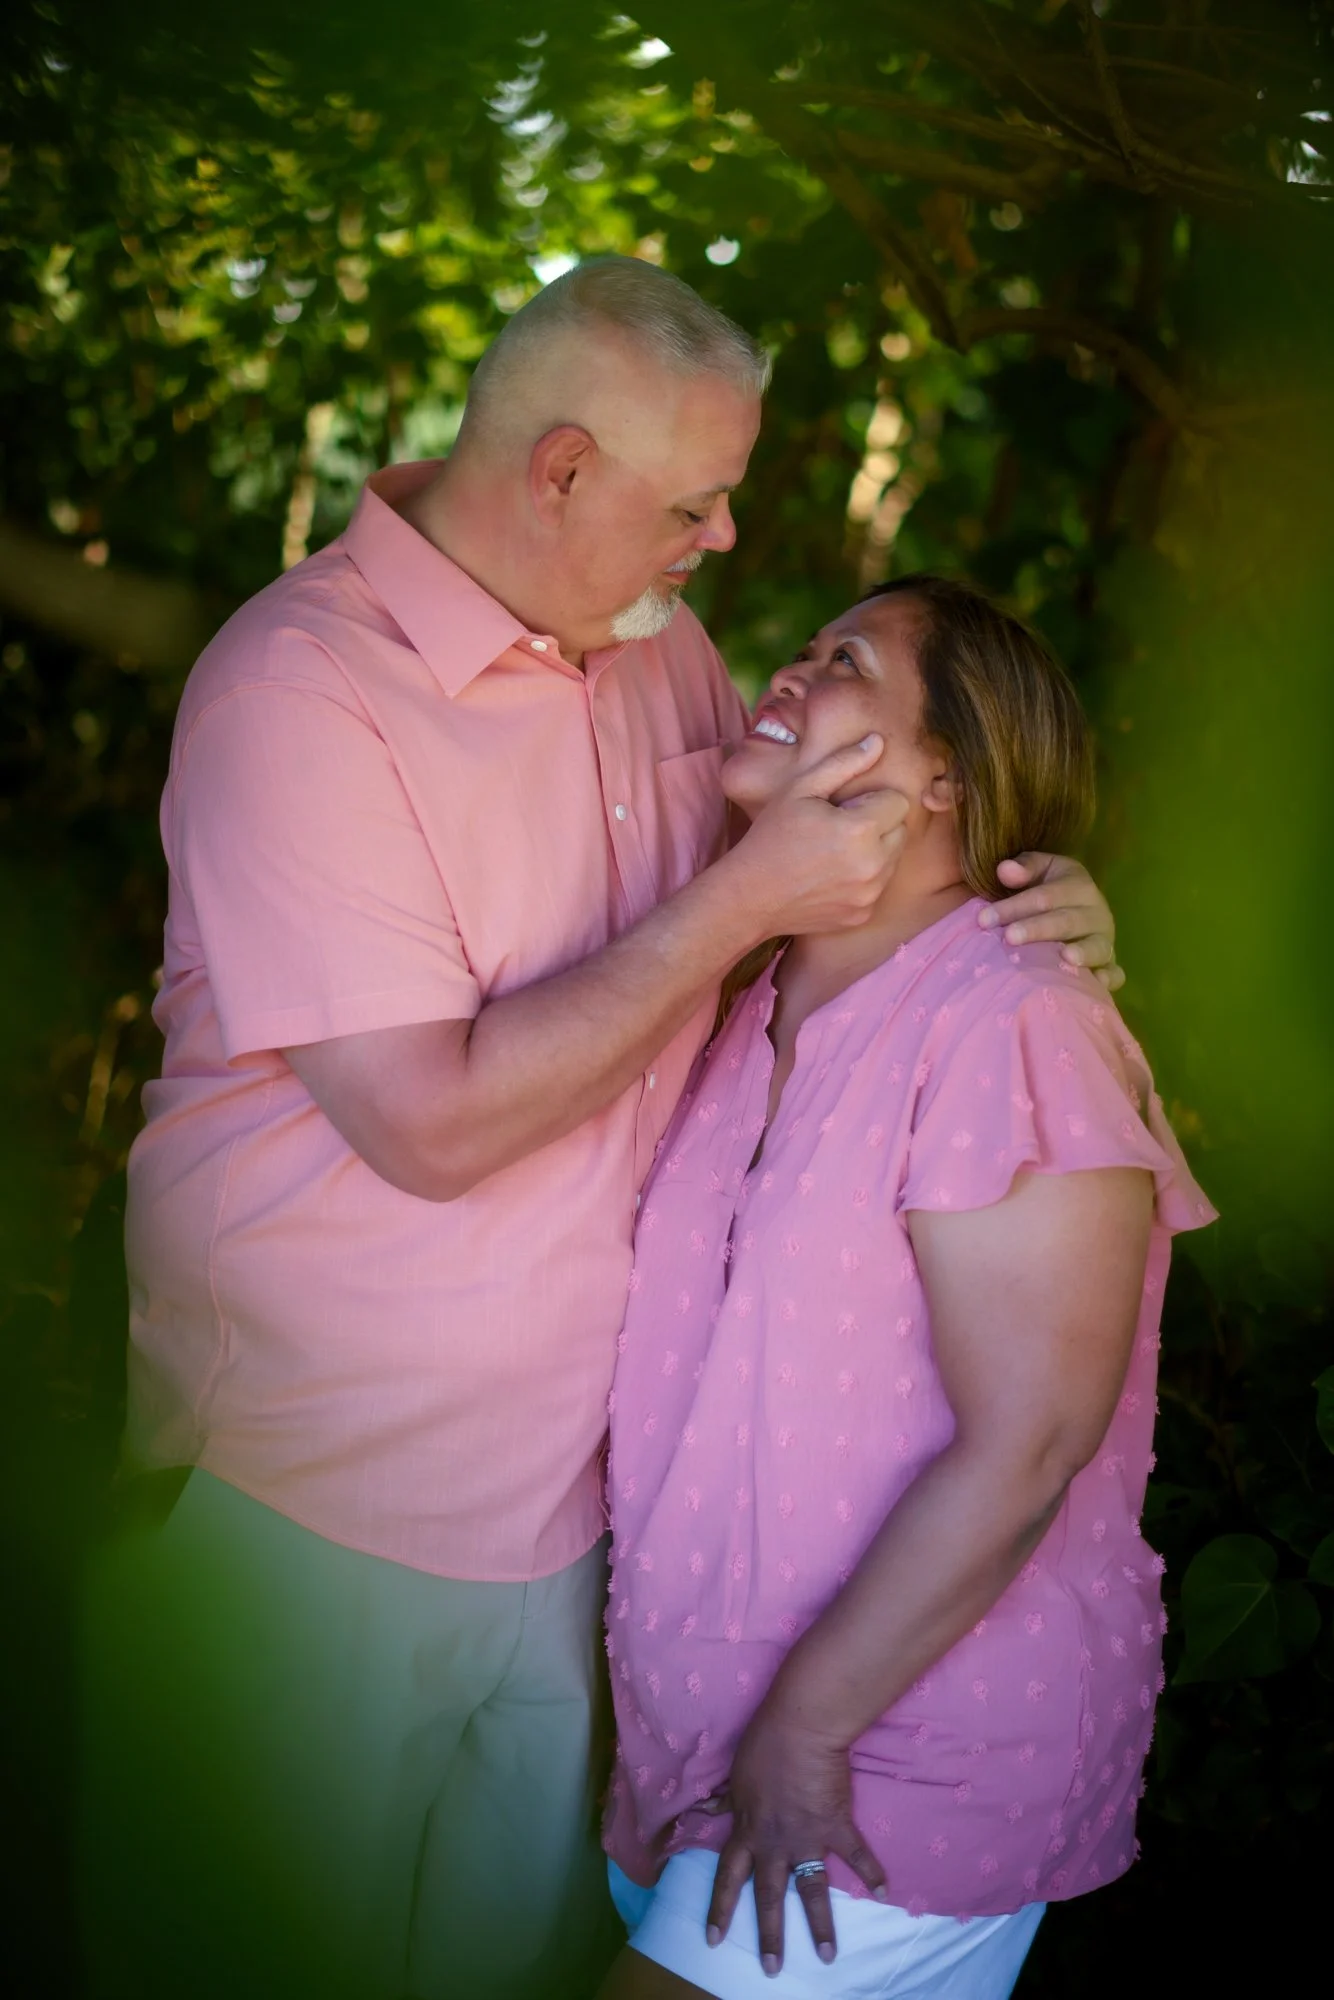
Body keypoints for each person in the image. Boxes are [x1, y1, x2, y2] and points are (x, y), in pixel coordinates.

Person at [82, 261, 1119, 2000]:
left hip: (580, 1538)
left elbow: (863, 877)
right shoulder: (299, 692)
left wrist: (1036, 906)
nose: (724, 539)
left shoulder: (661, 655)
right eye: (694, 500)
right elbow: (428, 1125)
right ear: (561, 469)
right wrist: (747, 900)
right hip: (308, 1515)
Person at [598, 576, 1214, 2000]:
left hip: (893, 1762)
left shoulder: (1016, 1017)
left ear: (945, 774)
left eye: (846, 661)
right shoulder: (741, 1002)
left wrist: (805, 1733)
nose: (791, 669)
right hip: (693, 1739)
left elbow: (1032, 1440)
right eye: (806, 645)